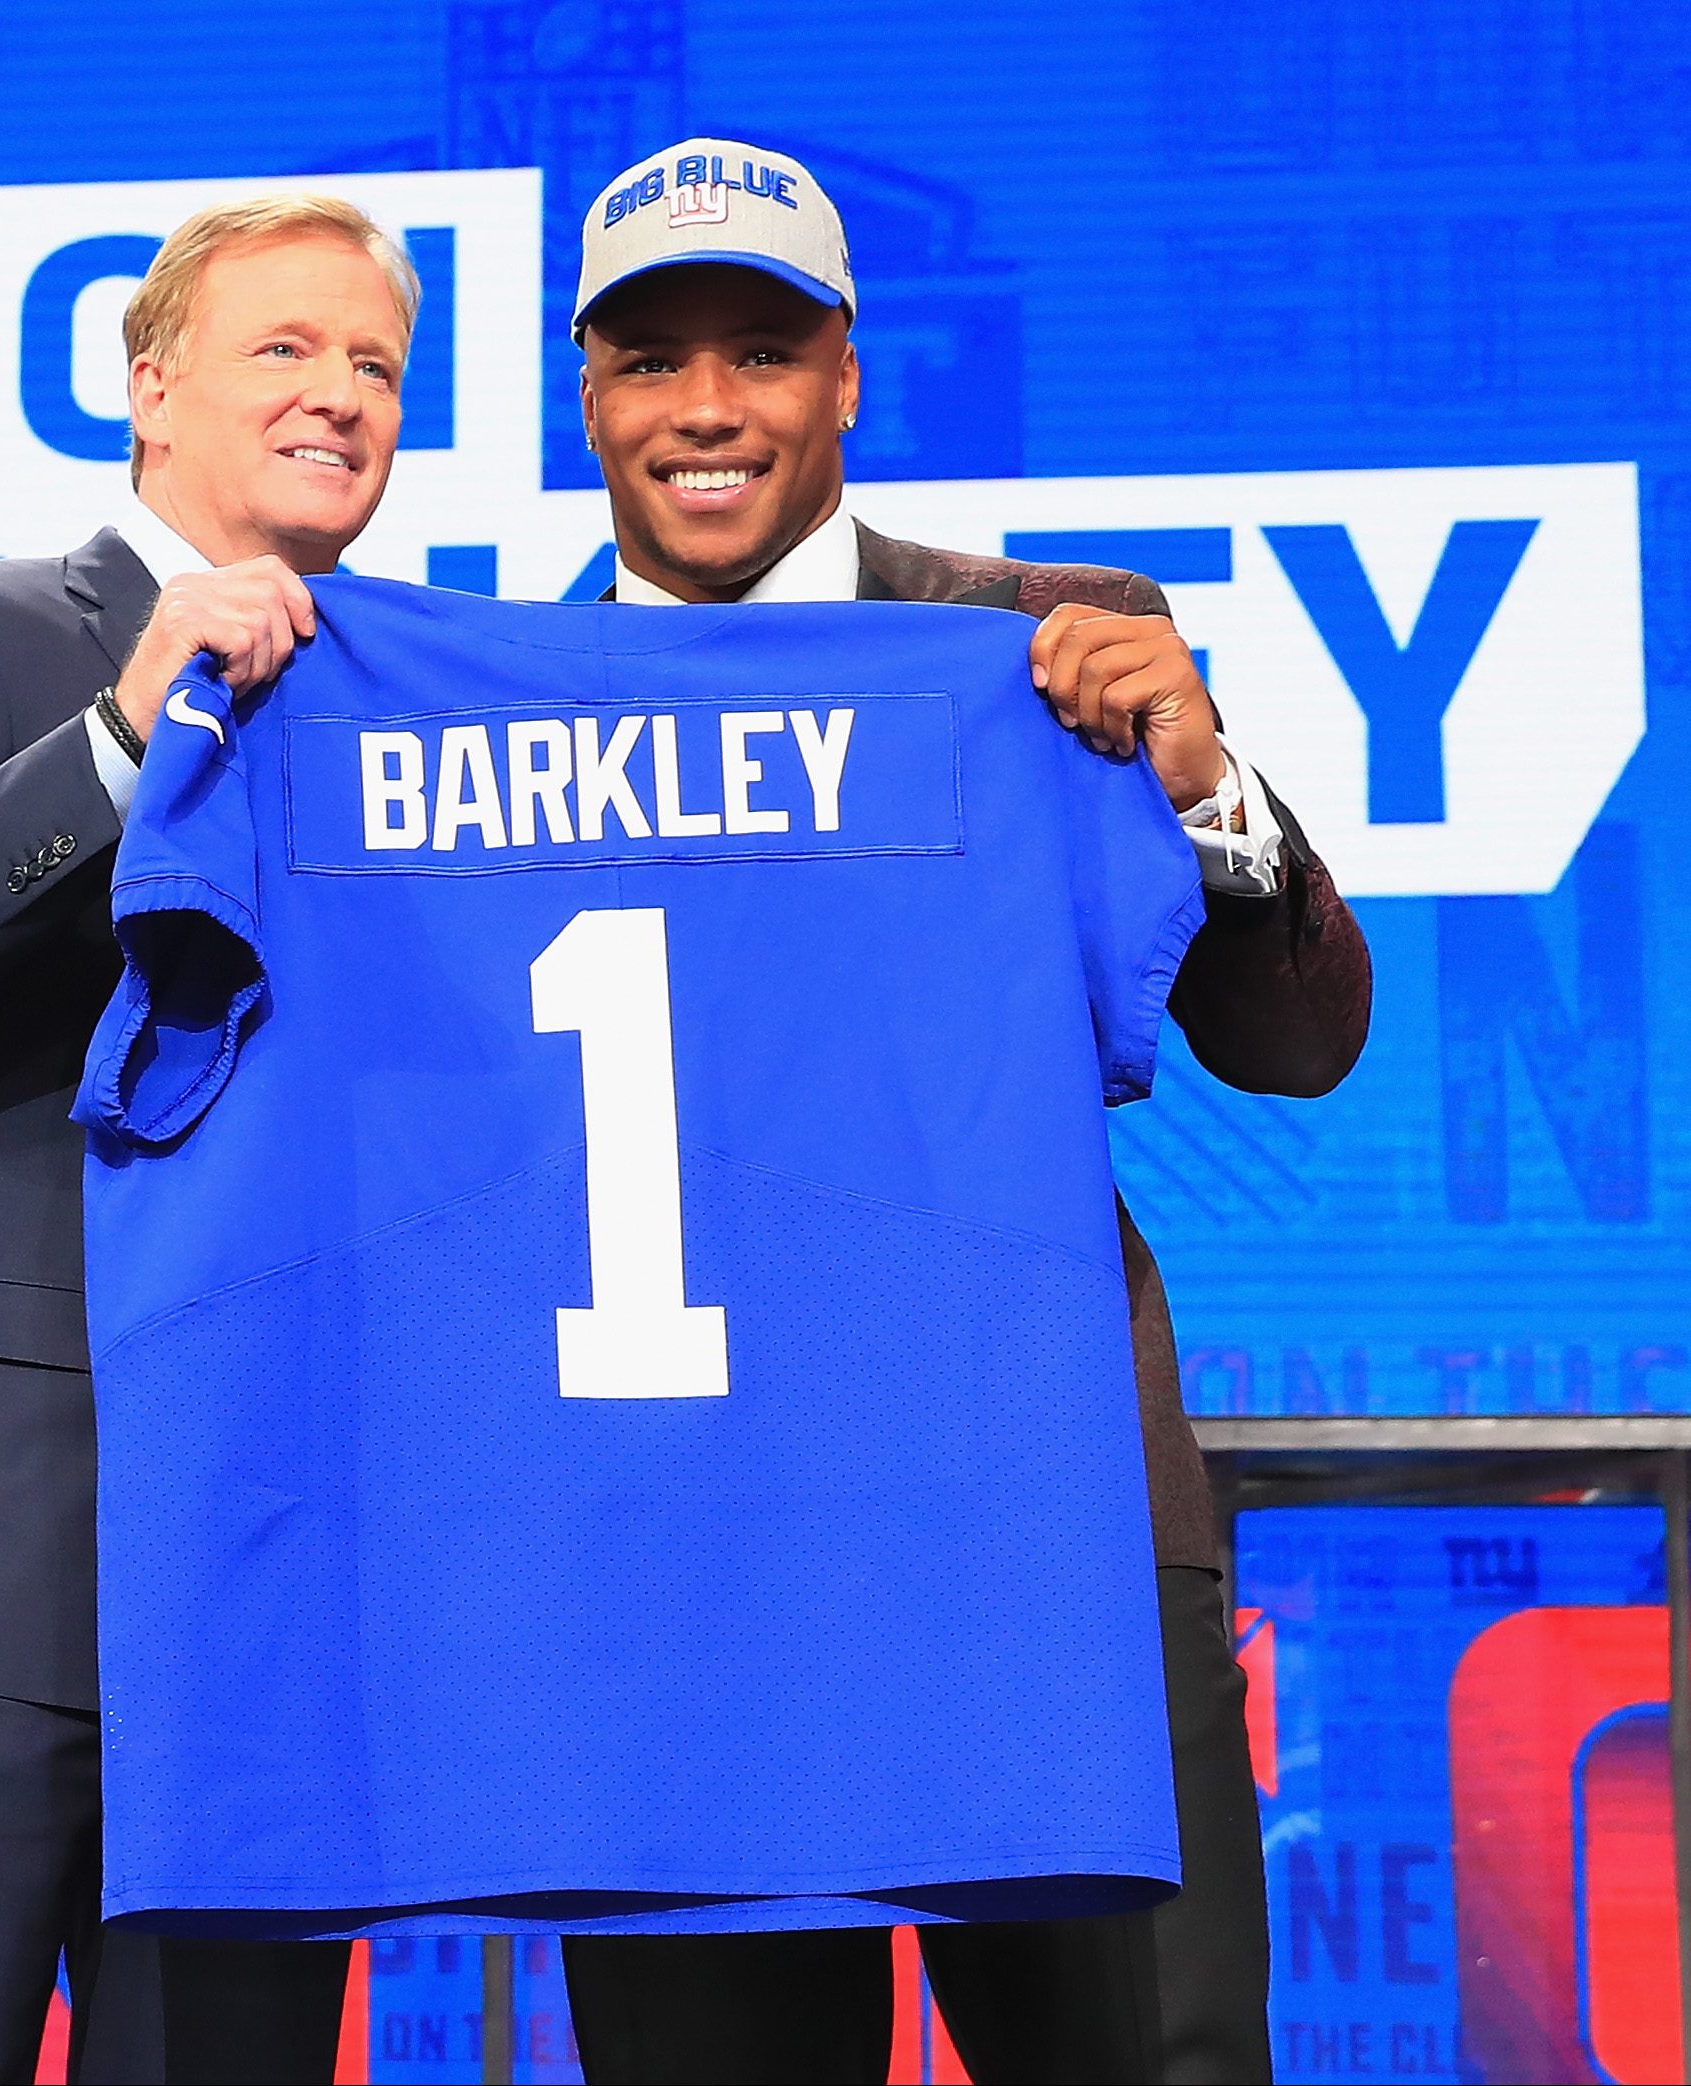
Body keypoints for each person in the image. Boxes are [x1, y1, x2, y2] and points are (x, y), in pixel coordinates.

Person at [548, 140, 1373, 2086]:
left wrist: (1202, 786)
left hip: (1042, 1509)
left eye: (761, 351)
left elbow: (1296, 1044)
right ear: (589, 401)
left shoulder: (1050, 647)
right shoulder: (488, 701)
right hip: (675, 1549)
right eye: (652, 359)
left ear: (846, 376)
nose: (705, 407)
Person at [0, 193, 413, 2084]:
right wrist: (123, 733)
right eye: (285, 347)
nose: (340, 393)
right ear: (150, 384)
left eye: (376, 366)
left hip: (279, 1560)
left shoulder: (412, 711)